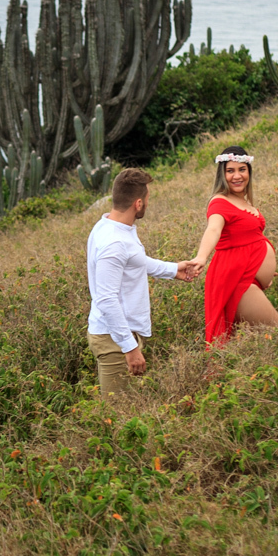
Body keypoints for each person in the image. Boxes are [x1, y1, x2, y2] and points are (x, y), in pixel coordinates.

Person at [87, 167, 194, 398]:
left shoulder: (110, 226)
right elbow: (106, 299)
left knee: (130, 408)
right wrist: (129, 347)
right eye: (147, 200)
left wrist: (174, 269)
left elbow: (135, 261)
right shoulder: (113, 243)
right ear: (138, 203)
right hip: (114, 338)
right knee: (116, 413)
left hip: (119, 334)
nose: (147, 204)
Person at [187, 145, 278, 346]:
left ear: (249, 171)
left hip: (248, 278)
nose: (236, 176)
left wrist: (262, 271)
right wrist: (201, 257)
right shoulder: (219, 202)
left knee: (255, 346)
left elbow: (248, 240)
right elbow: (213, 230)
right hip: (237, 282)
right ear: (222, 174)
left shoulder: (245, 202)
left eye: (242, 169)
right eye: (230, 171)